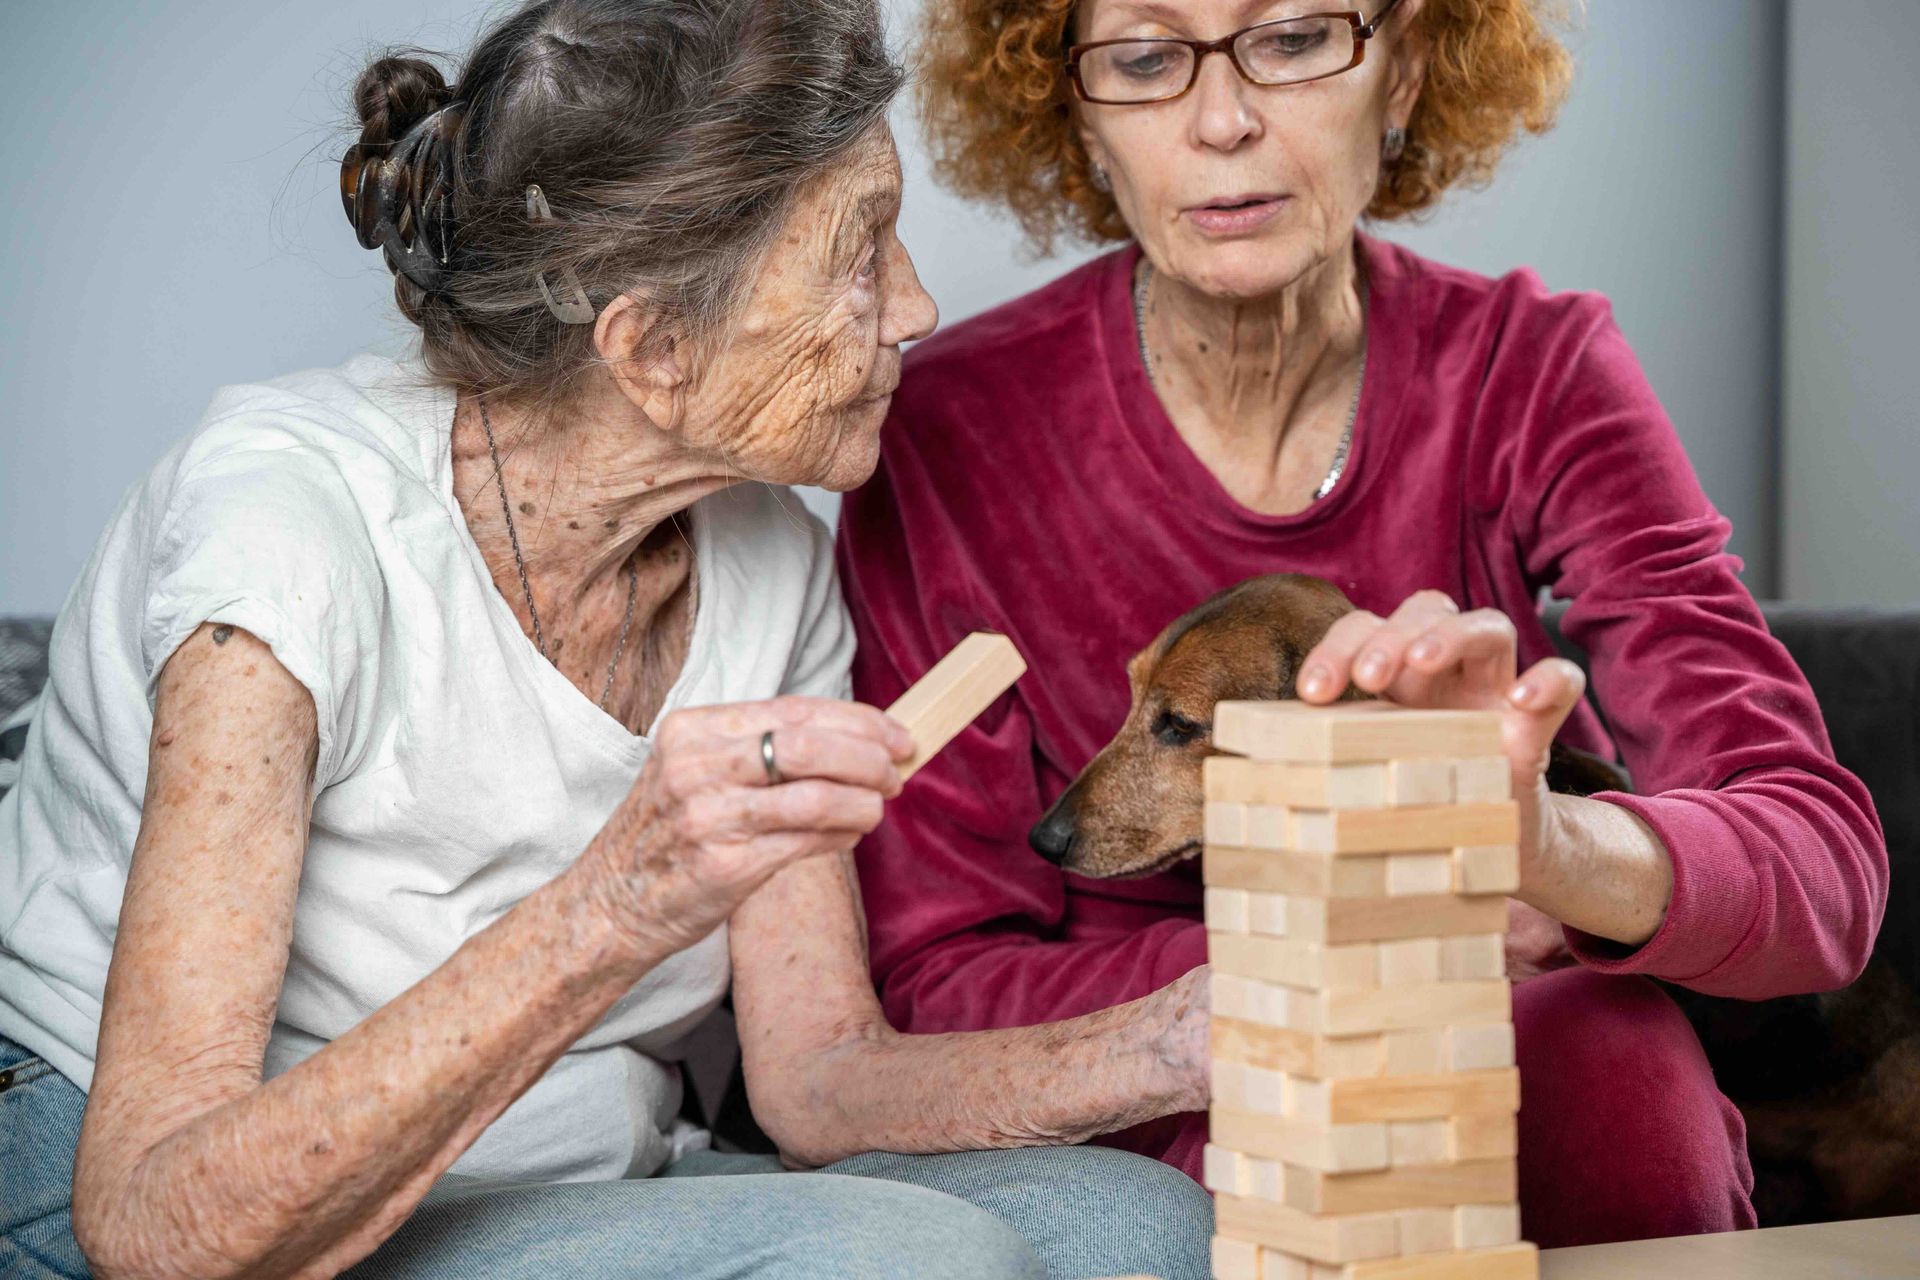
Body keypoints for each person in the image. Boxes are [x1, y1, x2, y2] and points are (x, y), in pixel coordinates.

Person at [0, 3, 1216, 1277]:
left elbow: (816, 1078)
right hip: (171, 1197)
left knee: (1141, 1230)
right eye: (862, 253)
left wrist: (1173, 1040)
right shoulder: (284, 533)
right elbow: (150, 1220)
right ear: (654, 349)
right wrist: (616, 905)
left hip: (554, 1187)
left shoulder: (769, 555)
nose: (915, 306)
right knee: (895, 1258)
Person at [837, 0, 1887, 1248]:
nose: (1222, 120)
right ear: (1073, 112)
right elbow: (939, 976)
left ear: (1407, 73)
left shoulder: (1533, 371)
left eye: (1291, 39)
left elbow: (1821, 873)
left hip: (1522, 1051)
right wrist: (1322, 968)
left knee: (1608, 1066)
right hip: (1146, 1093)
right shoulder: (945, 433)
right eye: (1143, 58)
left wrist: (1546, 847)